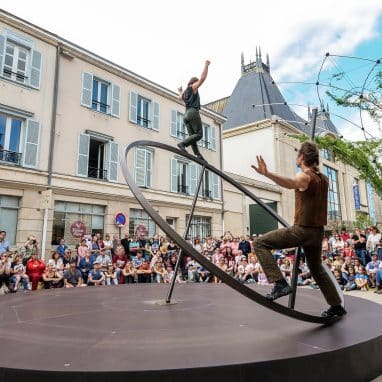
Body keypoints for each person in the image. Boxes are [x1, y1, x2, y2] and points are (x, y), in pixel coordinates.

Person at [251, 141, 346, 318]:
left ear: (302, 157)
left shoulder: (305, 176)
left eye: (297, 155)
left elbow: (291, 183)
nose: (296, 158)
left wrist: (267, 174)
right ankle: (336, 305)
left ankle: (280, 283)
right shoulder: (323, 179)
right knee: (316, 268)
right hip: (317, 233)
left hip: (302, 230)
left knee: (259, 243)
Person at [177, 60, 210, 160]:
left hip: (186, 115)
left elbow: (180, 97)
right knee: (199, 134)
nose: (197, 86)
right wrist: (206, 65)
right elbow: (202, 78)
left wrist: (180, 91)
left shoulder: (185, 92)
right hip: (192, 113)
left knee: (193, 137)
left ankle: (198, 155)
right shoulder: (193, 87)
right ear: (193, 83)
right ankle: (182, 144)